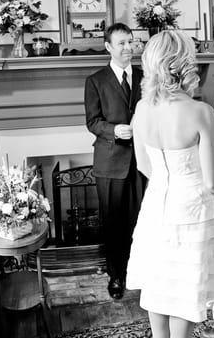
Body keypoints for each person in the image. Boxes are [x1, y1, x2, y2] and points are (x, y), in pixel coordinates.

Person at [126, 30, 214, 338]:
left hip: (155, 207)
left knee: (159, 288)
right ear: (184, 64)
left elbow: (143, 166)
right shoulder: (201, 112)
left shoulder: (141, 110)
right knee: (184, 296)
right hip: (191, 210)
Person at [84, 22, 146, 300]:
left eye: (130, 42)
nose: (128, 48)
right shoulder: (95, 80)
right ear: (108, 46)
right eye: (121, 43)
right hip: (110, 163)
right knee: (113, 224)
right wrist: (114, 130)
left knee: (142, 221)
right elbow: (93, 122)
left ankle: (141, 272)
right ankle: (116, 277)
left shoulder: (147, 76)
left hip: (143, 161)